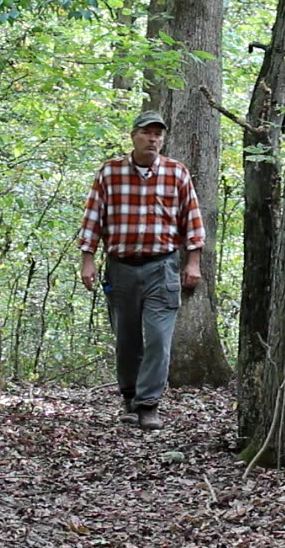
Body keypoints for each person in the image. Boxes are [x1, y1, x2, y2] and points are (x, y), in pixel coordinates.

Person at [78, 110, 205, 430]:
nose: (153, 139)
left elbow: (192, 220)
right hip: (120, 268)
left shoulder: (176, 173)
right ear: (133, 136)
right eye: (147, 133)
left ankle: (149, 404)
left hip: (161, 267)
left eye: (158, 134)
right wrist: (87, 259)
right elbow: (94, 217)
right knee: (127, 339)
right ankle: (129, 398)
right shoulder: (110, 173)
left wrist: (193, 263)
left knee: (159, 339)